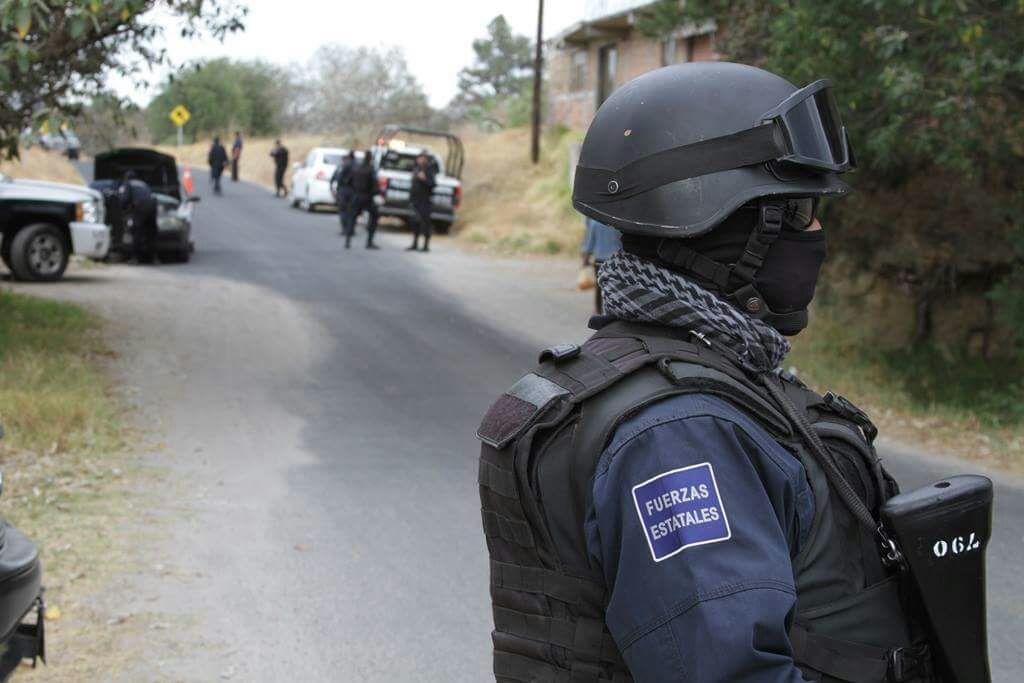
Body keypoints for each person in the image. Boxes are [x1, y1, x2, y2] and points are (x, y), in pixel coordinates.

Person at [477, 62, 937, 682]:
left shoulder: (712, 379)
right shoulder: (677, 433)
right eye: (800, 213)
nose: (819, 234)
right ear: (727, 221)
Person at [580, 216, 622, 313]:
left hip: (599, 260)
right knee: (615, 286)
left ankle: (598, 310)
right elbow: (621, 243)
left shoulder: (594, 223)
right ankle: (614, 309)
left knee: (599, 287)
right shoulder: (617, 223)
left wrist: (585, 259)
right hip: (615, 260)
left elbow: (589, 242)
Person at [344, 150, 380, 250]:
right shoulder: (371, 170)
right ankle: (369, 242)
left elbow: (348, 182)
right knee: (374, 217)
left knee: (352, 218)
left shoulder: (356, 168)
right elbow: (375, 186)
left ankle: (348, 240)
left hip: (356, 197)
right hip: (367, 197)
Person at [407, 152, 436, 252]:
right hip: (416, 201)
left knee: (425, 223)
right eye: (419, 158)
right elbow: (413, 186)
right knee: (415, 223)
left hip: (425, 201)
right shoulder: (416, 169)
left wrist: (424, 179)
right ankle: (415, 243)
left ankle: (425, 246)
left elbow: (432, 184)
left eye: (423, 158)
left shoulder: (429, 170)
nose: (420, 160)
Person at [330, 150, 356, 235]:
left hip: (344, 190)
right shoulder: (357, 166)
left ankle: (345, 229)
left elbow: (338, 178)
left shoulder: (344, 166)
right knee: (351, 211)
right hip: (353, 191)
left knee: (343, 211)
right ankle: (350, 229)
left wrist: (335, 190)